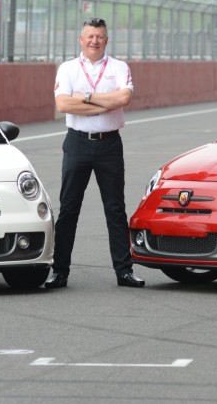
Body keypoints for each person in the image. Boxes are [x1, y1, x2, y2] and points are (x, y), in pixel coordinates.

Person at [45, 17, 145, 289]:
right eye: (89, 36)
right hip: (77, 143)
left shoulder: (119, 67)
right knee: (69, 209)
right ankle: (59, 271)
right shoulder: (67, 68)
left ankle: (124, 271)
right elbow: (64, 103)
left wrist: (86, 97)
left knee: (115, 209)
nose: (94, 41)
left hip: (109, 144)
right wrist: (104, 102)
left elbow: (123, 99)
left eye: (99, 36)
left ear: (106, 40)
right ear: (81, 39)